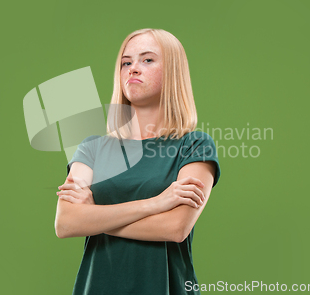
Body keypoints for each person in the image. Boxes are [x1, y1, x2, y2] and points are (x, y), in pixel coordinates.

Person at [54, 28, 221, 295]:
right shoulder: (92, 148)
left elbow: (175, 227)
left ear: (173, 71)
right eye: (126, 63)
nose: (133, 69)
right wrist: (155, 203)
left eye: (147, 60)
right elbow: (66, 223)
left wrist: (95, 215)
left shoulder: (195, 146)